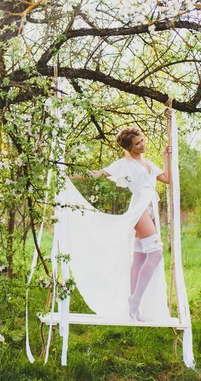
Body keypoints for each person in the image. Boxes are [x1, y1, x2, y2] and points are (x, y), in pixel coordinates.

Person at [70, 127, 171, 322]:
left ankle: (134, 307)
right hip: (140, 208)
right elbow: (99, 173)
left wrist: (165, 157)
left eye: (142, 140)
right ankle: (135, 300)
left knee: (141, 256)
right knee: (156, 253)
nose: (142, 144)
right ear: (129, 147)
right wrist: (71, 176)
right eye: (137, 143)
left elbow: (167, 179)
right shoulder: (125, 164)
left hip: (150, 210)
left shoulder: (148, 163)